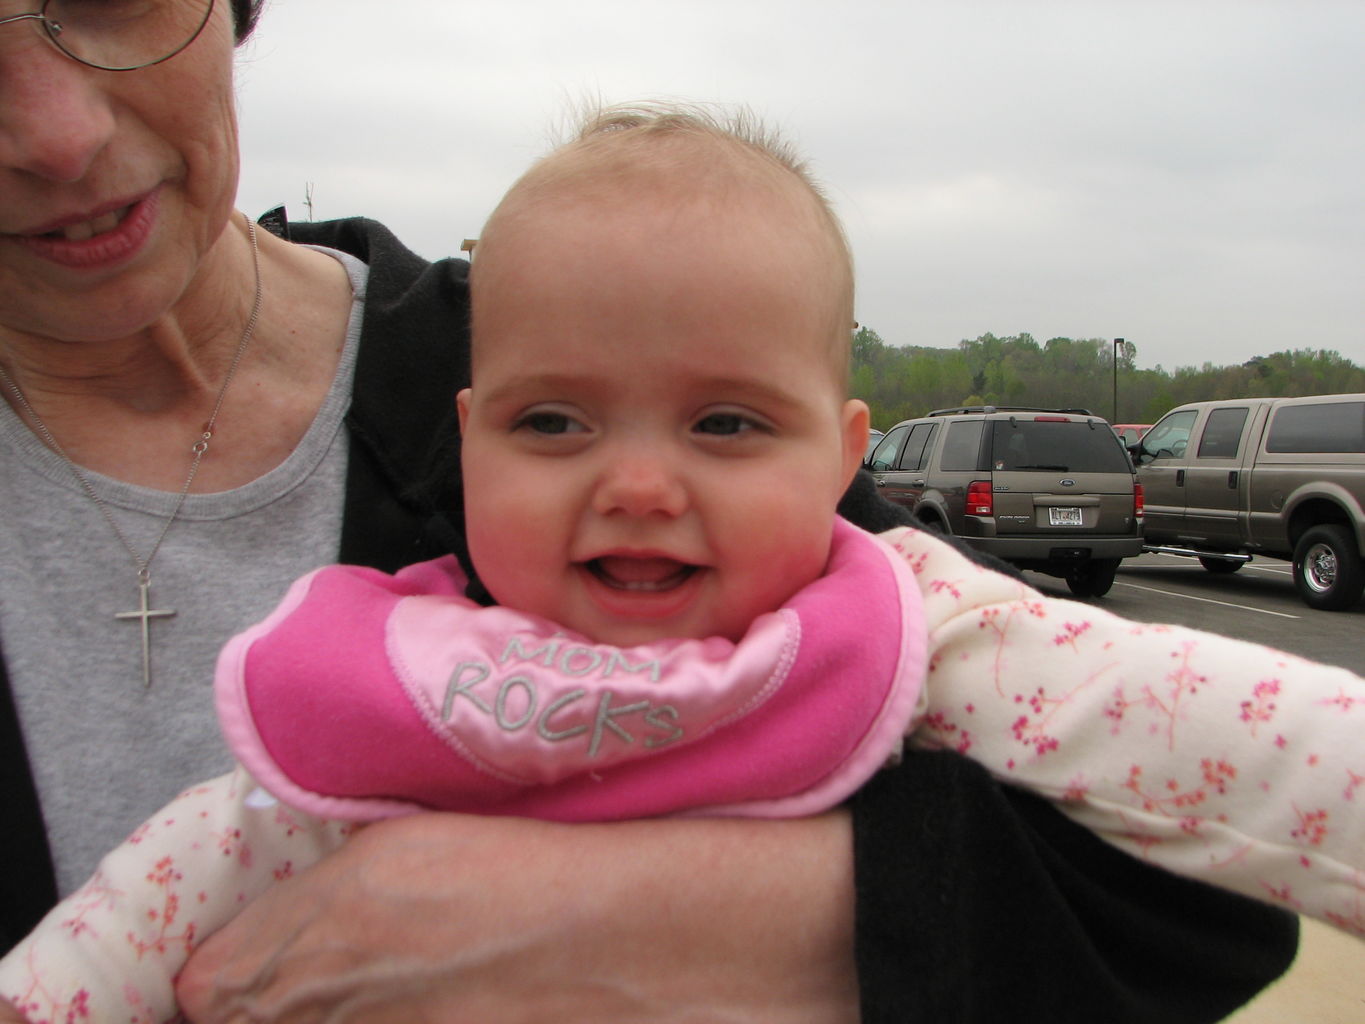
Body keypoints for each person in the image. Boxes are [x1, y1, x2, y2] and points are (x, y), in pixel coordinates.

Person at [0, 1, 1313, 1021]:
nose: (637, 485)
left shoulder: (873, 599)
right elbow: (133, 924)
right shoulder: (374, 681)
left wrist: (653, 921)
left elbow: (1214, 842)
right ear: (472, 441)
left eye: (102, 1)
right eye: (551, 425)